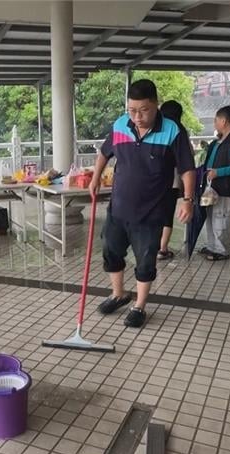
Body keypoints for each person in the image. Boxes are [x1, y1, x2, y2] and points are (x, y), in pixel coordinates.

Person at [89, 80, 196, 328]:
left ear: (156, 105)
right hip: (118, 207)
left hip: (151, 212)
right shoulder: (119, 125)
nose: (137, 116)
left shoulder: (173, 131)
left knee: (146, 259)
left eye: (144, 110)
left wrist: (188, 200)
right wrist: (95, 178)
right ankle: (118, 294)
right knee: (111, 251)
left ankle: (139, 306)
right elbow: (104, 153)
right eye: (132, 110)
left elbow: (188, 168)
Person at [198, 105, 230, 261]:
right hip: (213, 186)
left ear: (224, 121)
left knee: (220, 218)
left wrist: (219, 172)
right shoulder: (219, 141)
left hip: (225, 187)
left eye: (216, 120)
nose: (214, 123)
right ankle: (212, 246)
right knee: (211, 216)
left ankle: (221, 250)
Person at [156, 100, 194, 261]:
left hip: (154, 179)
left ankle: (152, 245)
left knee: (155, 212)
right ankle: (162, 249)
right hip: (172, 181)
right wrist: (188, 198)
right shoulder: (180, 131)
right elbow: (188, 160)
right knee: (167, 214)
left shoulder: (157, 129)